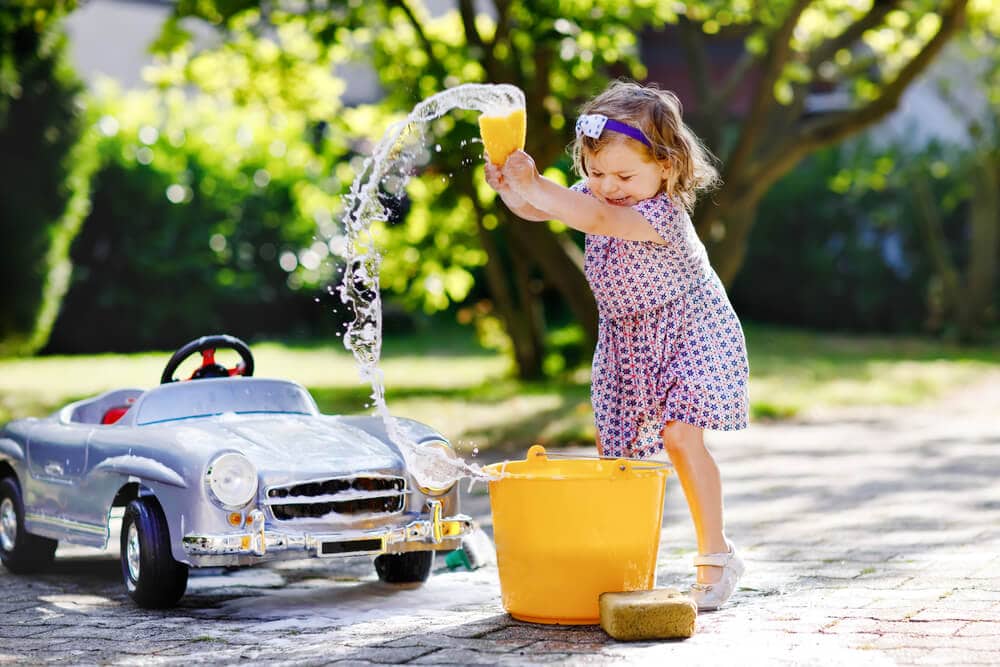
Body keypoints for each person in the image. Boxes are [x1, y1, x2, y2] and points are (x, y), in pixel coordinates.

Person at [484, 80, 749, 611]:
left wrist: (536, 183)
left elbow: (599, 219)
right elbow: (543, 211)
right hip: (627, 339)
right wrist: (512, 188)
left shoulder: (660, 213)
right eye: (596, 173)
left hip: (688, 328)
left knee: (679, 436)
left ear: (667, 167)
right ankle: (619, 562)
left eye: (625, 175)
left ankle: (716, 556)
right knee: (619, 459)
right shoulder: (598, 194)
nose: (609, 187)